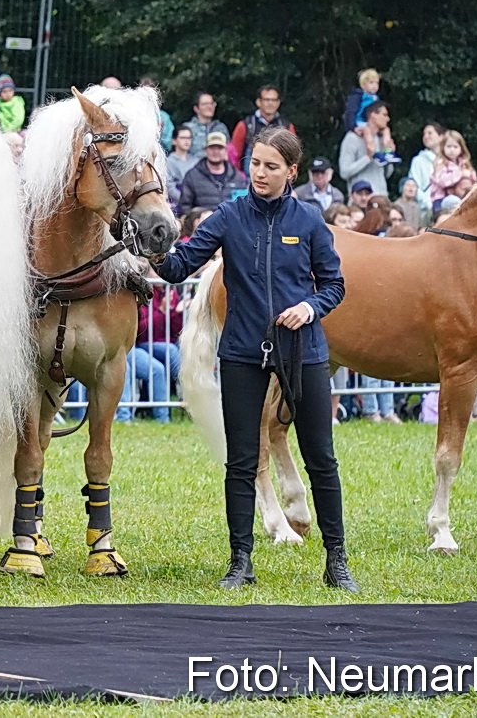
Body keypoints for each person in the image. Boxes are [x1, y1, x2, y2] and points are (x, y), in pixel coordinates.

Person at [152, 127, 354, 591]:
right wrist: (155, 249)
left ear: (291, 171)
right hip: (243, 352)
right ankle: (241, 561)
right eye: (256, 164)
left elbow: (334, 285)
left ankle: (336, 559)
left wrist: (310, 308)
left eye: (271, 166)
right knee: (242, 462)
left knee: (322, 458)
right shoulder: (228, 216)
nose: (259, 173)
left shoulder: (308, 220)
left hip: (304, 352)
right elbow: (182, 265)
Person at [178, 129, 246, 214]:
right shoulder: (192, 176)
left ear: (225, 151)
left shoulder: (237, 177)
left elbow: (244, 206)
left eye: (219, 148)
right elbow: (184, 208)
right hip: (202, 225)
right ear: (205, 150)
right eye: (212, 148)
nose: (216, 152)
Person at [339, 102, 396, 198]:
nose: (388, 119)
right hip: (361, 200)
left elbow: (387, 174)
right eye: (384, 115)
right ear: (373, 115)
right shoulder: (352, 138)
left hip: (381, 198)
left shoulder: (381, 139)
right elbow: (344, 172)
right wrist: (367, 158)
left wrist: (389, 155)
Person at [228, 85, 293, 169]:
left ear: (278, 103)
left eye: (273, 100)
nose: (270, 103)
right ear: (258, 102)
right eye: (266, 100)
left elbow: (292, 157)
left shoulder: (287, 127)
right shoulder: (245, 125)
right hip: (249, 179)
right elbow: (234, 156)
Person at [428, 130, 477, 210]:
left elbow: (474, 180)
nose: (452, 150)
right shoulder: (440, 164)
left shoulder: (464, 163)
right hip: (441, 199)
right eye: (448, 146)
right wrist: (460, 174)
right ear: (443, 147)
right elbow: (443, 182)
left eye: (455, 147)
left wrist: (470, 175)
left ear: (461, 148)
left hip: (461, 197)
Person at [165, 125, 201, 203]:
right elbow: (169, 187)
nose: (187, 141)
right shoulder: (168, 162)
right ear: (174, 141)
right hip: (177, 203)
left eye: (189, 138)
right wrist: (185, 200)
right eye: (183, 138)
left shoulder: (196, 161)